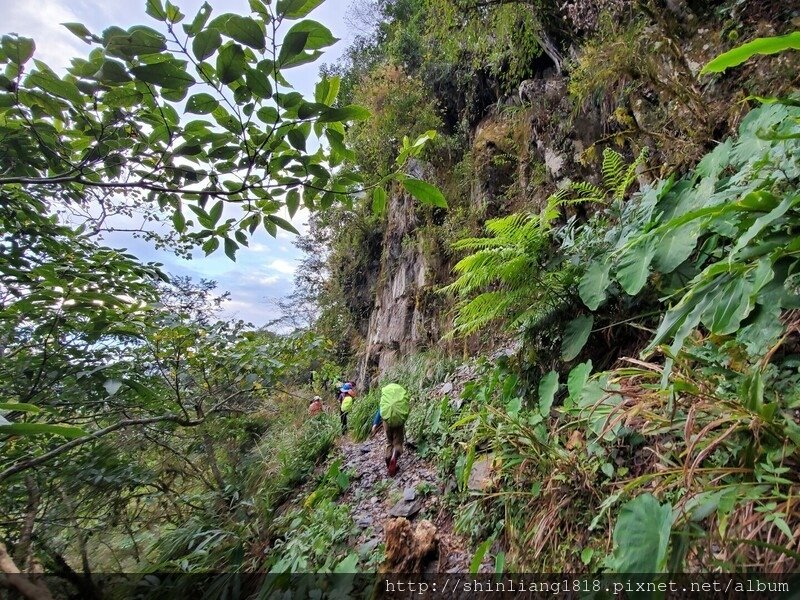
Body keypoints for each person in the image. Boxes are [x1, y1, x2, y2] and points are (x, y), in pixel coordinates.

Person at [379, 383, 410, 476]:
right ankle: (395, 454)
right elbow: (406, 407)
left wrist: (375, 424)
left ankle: (388, 460)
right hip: (399, 420)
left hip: (387, 420)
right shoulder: (401, 395)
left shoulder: (386, 398)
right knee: (398, 442)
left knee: (389, 441)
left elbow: (379, 411)